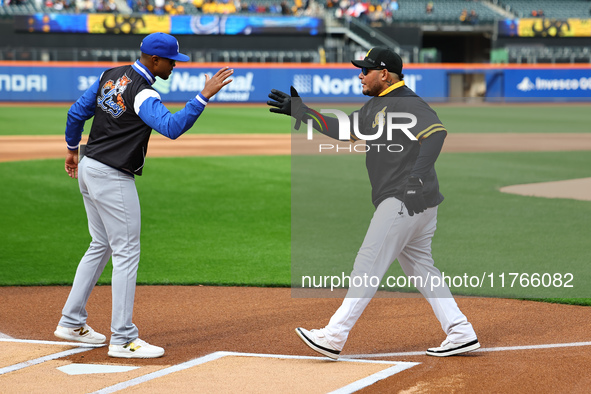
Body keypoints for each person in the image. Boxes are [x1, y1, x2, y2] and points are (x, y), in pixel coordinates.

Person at [267, 47, 479, 358]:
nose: (360, 75)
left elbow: (436, 134)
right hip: (418, 203)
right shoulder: (375, 107)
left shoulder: (406, 101)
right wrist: (300, 111)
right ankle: (460, 331)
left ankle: (335, 335)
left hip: (403, 198)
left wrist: (416, 178)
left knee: (368, 262)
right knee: (422, 269)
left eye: (366, 70)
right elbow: (342, 129)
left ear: (384, 74)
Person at [55, 32, 233, 358]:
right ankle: (123, 338)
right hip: (111, 175)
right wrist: (203, 96)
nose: (175, 66)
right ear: (154, 60)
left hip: (90, 167)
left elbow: (75, 114)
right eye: (171, 60)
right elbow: (171, 127)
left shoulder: (110, 76)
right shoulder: (142, 92)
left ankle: (71, 321)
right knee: (126, 252)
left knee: (101, 244)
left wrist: (71, 150)